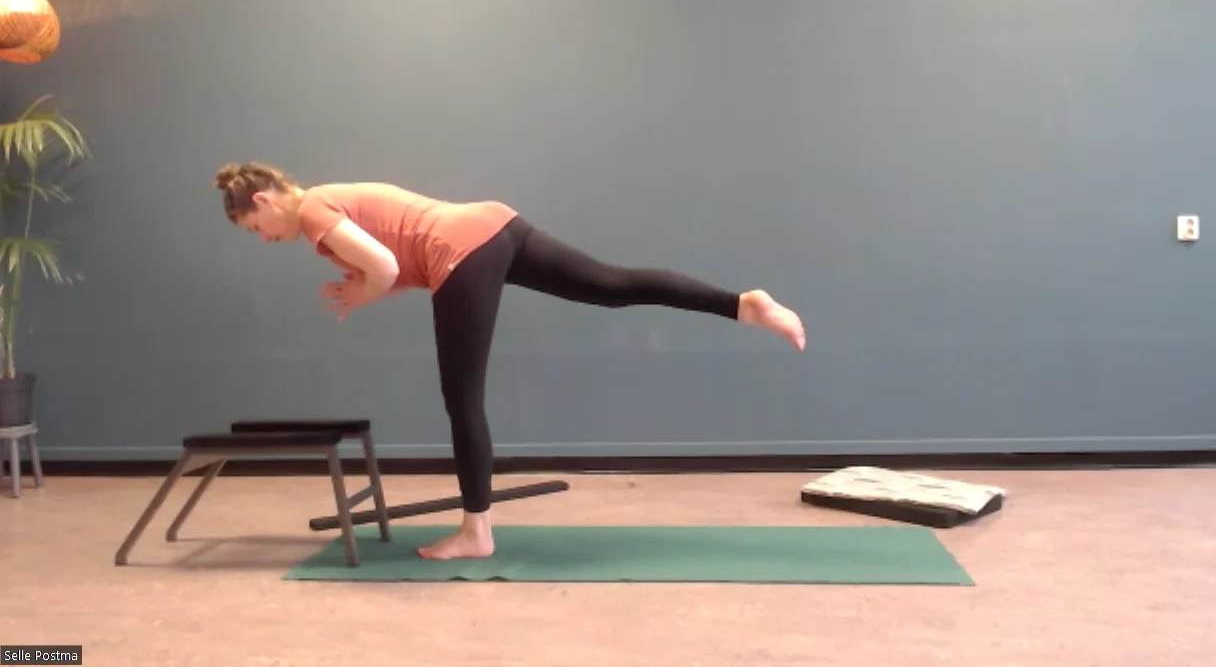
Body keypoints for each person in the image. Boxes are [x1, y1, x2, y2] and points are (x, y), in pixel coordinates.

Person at [213, 161, 807, 561]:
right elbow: (404, 263)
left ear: (263, 199)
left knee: (462, 399)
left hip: (459, 250)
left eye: (254, 226)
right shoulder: (330, 199)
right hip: (494, 226)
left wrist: (367, 290)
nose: (263, 238)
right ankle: (741, 304)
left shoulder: (315, 214)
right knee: (612, 284)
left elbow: (389, 267)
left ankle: (477, 531)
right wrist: (374, 286)